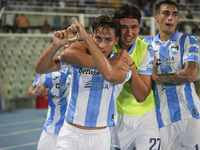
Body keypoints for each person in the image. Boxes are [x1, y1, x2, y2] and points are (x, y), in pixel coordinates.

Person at [59, 4, 159, 150]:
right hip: (117, 116)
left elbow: (141, 96)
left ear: (139, 27)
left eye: (134, 27)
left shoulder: (146, 49)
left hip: (145, 115)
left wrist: (131, 65)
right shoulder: (105, 43)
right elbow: (66, 55)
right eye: (124, 27)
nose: (129, 32)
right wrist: (107, 63)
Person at [35, 14, 133, 150]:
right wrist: (54, 45)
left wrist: (85, 37)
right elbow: (40, 68)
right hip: (70, 133)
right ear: (92, 36)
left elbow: (110, 75)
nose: (102, 45)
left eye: (108, 39)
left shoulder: (121, 63)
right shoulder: (79, 59)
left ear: (116, 39)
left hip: (99, 136)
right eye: (98, 38)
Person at [143, 1, 200, 149]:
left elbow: (191, 74)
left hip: (189, 115)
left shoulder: (187, 40)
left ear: (178, 19)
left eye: (175, 14)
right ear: (156, 17)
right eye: (166, 13)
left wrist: (156, 77)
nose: (170, 18)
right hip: (162, 119)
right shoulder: (146, 44)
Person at [28, 69, 72, 150]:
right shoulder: (50, 71)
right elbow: (31, 90)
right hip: (51, 129)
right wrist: (35, 92)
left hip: (73, 131)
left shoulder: (81, 68)